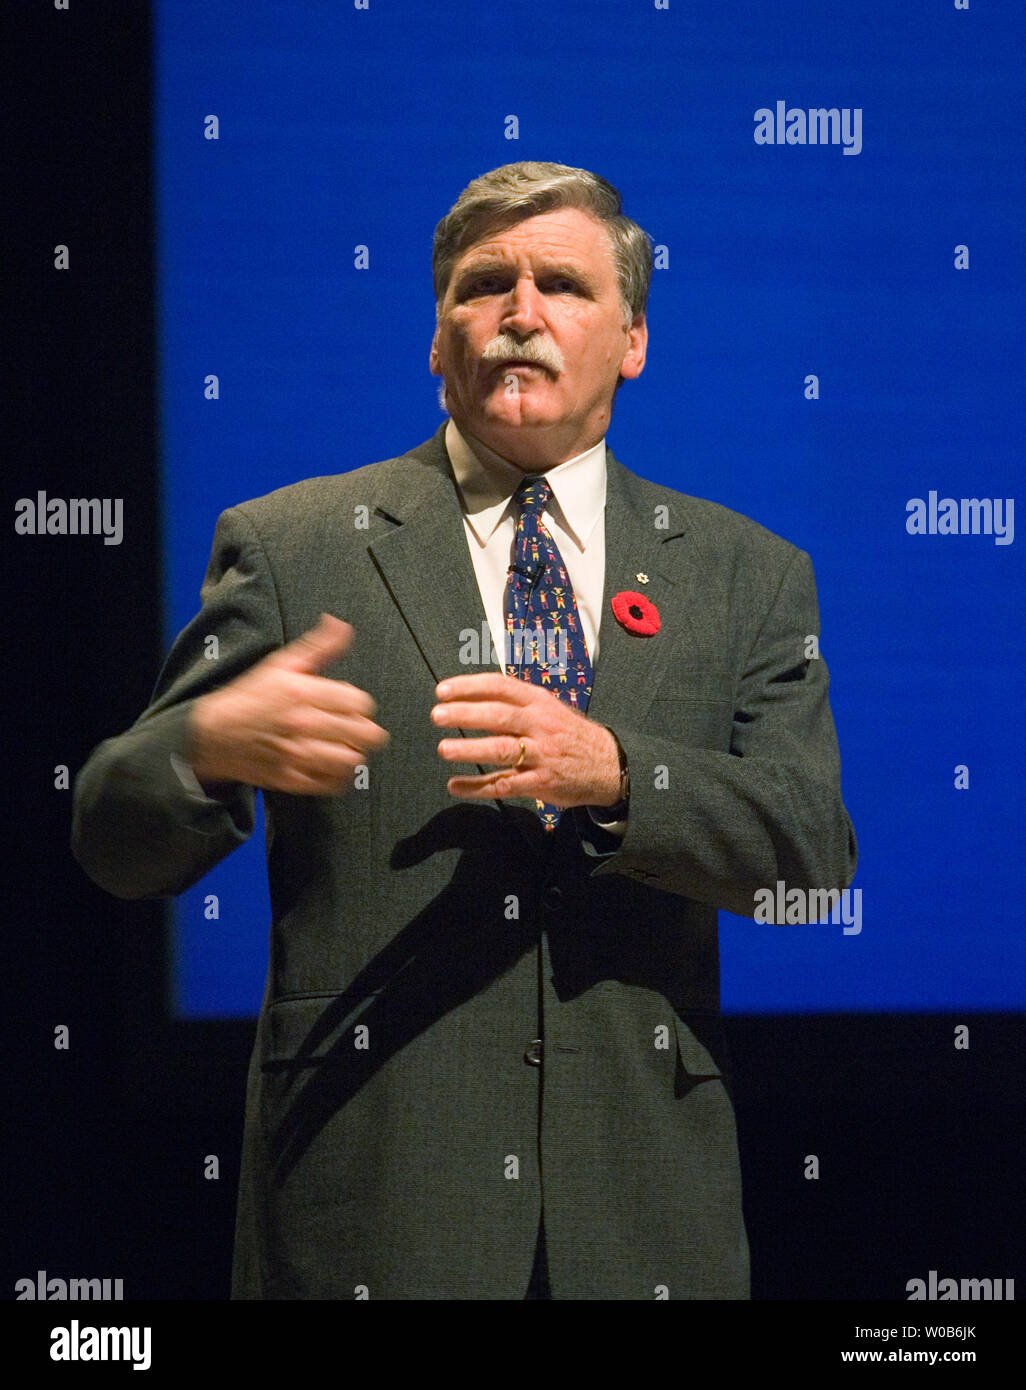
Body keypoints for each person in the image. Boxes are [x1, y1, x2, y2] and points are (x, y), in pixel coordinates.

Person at [72, 160, 858, 1300]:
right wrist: (198, 749)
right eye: (483, 285)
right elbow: (110, 834)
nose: (519, 313)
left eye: (562, 285)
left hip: (643, 1222)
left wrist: (620, 773)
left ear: (633, 339)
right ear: (438, 341)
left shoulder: (747, 576)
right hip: (376, 1200)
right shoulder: (298, 547)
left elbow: (813, 855)